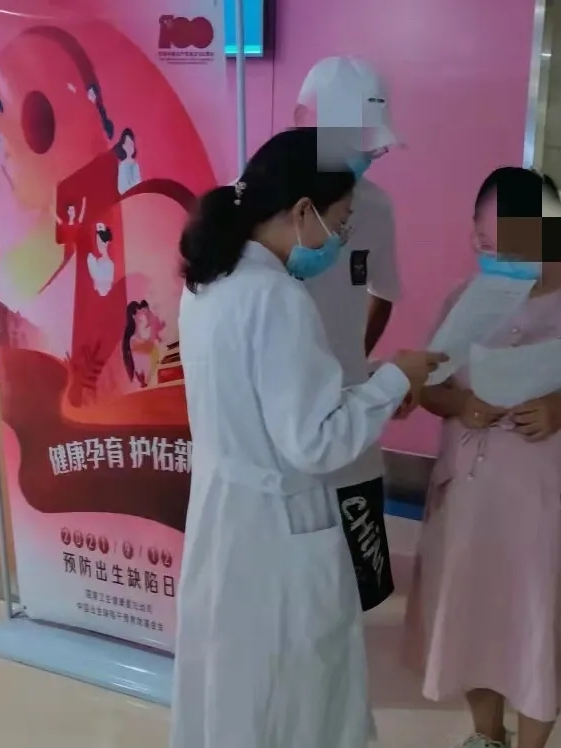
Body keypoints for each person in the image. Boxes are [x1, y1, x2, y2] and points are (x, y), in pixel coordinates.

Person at [170, 127, 446, 748]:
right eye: (339, 223)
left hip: (226, 512)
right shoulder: (278, 298)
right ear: (301, 212)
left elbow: (268, 400)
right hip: (280, 527)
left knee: (231, 685)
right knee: (294, 694)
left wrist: (372, 386)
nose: (338, 239)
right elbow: (314, 442)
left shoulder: (210, 282)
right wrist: (396, 378)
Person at [403, 167, 561, 748]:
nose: (503, 262)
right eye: (490, 247)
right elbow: (429, 387)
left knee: (538, 621)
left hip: (545, 502)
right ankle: (486, 735)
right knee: (473, 617)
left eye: (518, 249)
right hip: (472, 494)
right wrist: (462, 403)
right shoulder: (463, 300)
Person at [293, 56, 403, 611]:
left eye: (370, 145)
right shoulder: (255, 205)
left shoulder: (376, 208)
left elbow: (384, 290)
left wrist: (354, 361)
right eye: (352, 141)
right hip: (285, 422)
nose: (364, 155)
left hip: (348, 408)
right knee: (295, 581)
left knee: (357, 582)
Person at [115, 128, 141, 194]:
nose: (130, 146)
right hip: (126, 196)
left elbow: (138, 183)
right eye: (128, 143)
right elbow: (121, 188)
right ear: (123, 146)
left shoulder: (136, 165)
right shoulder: (122, 166)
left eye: (132, 143)